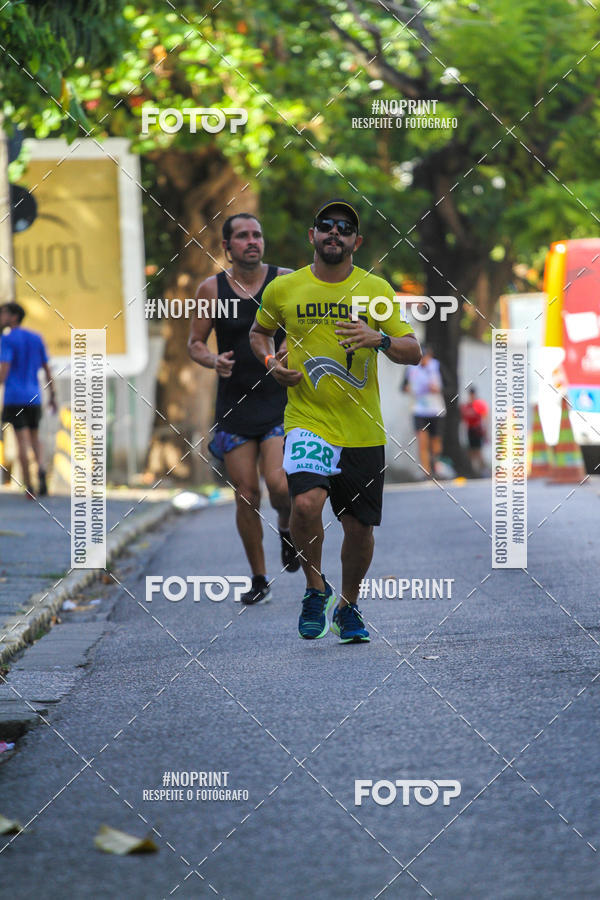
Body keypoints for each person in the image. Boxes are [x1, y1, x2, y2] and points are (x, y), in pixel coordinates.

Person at [249, 199, 421, 643]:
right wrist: (270, 361)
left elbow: (412, 350)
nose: (334, 232)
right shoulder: (284, 289)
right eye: (326, 225)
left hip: (362, 428)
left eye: (345, 228)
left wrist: (378, 337)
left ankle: (348, 602)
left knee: (358, 528)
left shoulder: (376, 290)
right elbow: (259, 332)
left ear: (356, 243)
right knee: (305, 503)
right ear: (312, 236)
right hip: (307, 417)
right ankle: (314, 589)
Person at [188, 212, 300, 606]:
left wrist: (292, 347)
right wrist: (211, 361)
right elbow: (196, 343)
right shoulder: (211, 289)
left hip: (278, 401)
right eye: (243, 236)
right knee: (246, 493)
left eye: (257, 234)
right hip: (234, 406)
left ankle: (286, 527)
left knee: (280, 484)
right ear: (227, 246)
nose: (252, 241)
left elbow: (304, 325)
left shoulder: (285, 280)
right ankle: (258, 578)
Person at [0, 302, 56, 498]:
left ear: (14, 316)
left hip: (14, 397)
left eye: (3, 313)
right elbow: (47, 369)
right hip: (35, 396)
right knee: (35, 437)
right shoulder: (36, 337)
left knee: (21, 440)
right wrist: (53, 396)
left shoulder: (7, 340)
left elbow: (3, 372)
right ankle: (40, 469)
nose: (1, 317)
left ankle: (29, 485)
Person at [402, 345, 445, 478]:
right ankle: (426, 472)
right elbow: (403, 386)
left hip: (436, 409)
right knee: (422, 441)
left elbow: (450, 386)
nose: (423, 361)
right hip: (419, 410)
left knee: (436, 442)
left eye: (425, 357)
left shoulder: (437, 366)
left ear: (430, 356)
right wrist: (407, 388)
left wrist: (438, 389)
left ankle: (436, 466)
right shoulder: (410, 368)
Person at [461, 386, 489, 475]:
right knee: (471, 451)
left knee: (478, 451)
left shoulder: (479, 404)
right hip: (470, 430)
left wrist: (486, 431)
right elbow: (464, 419)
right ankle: (474, 470)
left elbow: (485, 418)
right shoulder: (467, 406)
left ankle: (483, 469)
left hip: (478, 430)